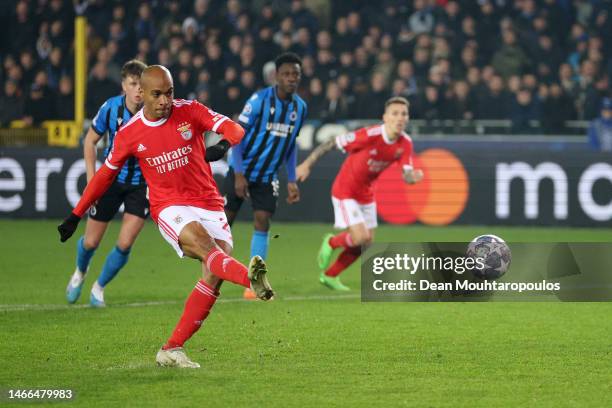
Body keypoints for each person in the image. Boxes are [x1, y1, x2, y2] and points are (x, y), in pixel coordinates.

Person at [57, 65, 274, 368]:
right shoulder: (130, 133)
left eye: (169, 93)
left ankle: (172, 348)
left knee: (213, 275)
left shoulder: (190, 111)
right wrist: (75, 214)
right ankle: (250, 279)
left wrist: (222, 145)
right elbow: (104, 176)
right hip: (169, 207)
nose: (164, 100)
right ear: (142, 94)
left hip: (209, 202)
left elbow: (235, 129)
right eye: (157, 94)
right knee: (207, 248)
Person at [296, 96, 423, 290]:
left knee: (366, 243)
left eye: (404, 114)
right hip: (346, 190)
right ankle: (331, 241)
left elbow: (407, 175)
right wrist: (307, 164)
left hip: (367, 193)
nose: (400, 118)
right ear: (385, 117)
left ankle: (330, 276)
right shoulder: (369, 135)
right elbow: (332, 142)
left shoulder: (405, 143)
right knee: (361, 237)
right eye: (395, 113)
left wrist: (413, 177)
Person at [224, 52, 307, 299]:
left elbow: (291, 145)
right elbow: (237, 135)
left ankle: (253, 283)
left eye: (296, 74)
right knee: (224, 224)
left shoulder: (300, 108)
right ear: (276, 76)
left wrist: (291, 179)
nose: (291, 78)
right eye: (287, 74)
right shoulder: (259, 100)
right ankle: (212, 274)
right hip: (242, 169)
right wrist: (239, 173)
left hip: (267, 175)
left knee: (262, 221)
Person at [65, 60, 148, 307]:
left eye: (141, 85)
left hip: (141, 185)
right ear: (124, 85)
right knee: (91, 242)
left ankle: (99, 288)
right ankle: (80, 272)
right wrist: (93, 181)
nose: (138, 90)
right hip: (111, 180)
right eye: (133, 84)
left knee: (124, 243)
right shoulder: (111, 109)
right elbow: (90, 141)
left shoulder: (154, 112)